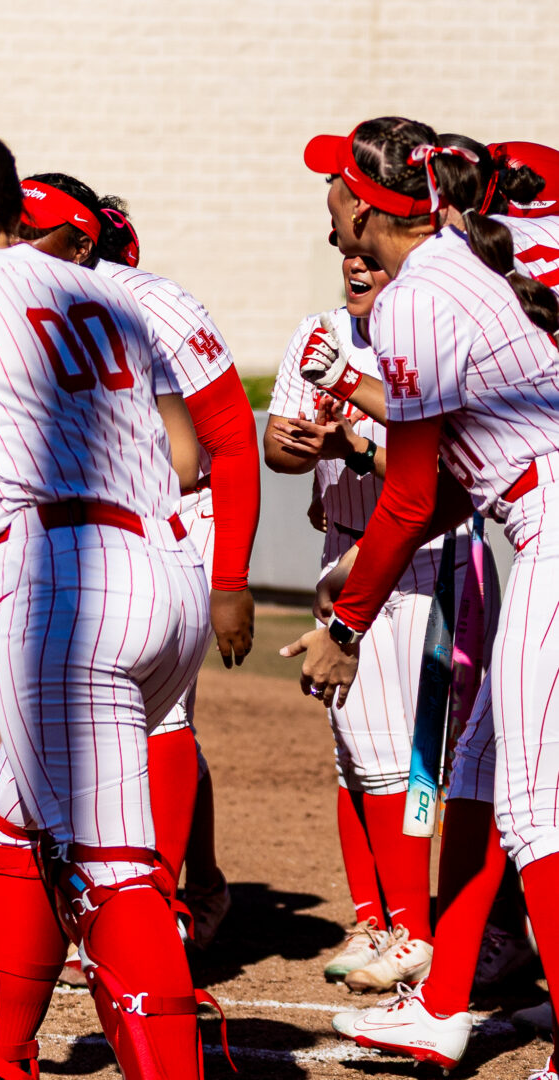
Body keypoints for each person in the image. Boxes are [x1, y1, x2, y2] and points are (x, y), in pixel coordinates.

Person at [0, 129, 214, 1080]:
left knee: (112, 872)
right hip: (164, 571)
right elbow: (188, 457)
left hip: (69, 591)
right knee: (9, 814)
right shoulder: (104, 289)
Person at [285, 116, 559, 1079]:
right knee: (478, 770)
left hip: (553, 526)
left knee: (531, 810)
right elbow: (439, 485)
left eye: (335, 191)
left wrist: (343, 623)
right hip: (536, 521)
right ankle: (443, 1006)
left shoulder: (413, 300)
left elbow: (406, 495)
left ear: (366, 203)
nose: (328, 214)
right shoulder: (447, 265)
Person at [16, 175, 258, 949]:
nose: (13, 244)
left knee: (161, 714)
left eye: (32, 229)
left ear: (84, 241)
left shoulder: (154, 304)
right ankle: (168, 887)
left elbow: (226, 444)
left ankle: (154, 906)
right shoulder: (12, 306)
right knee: (102, 713)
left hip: (176, 520)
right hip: (85, 524)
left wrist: (230, 582)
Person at [264, 251, 477, 992]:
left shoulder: (426, 338)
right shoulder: (318, 332)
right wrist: (307, 446)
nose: (352, 258)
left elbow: (440, 484)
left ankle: (415, 932)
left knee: (405, 759)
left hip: (417, 555)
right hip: (344, 550)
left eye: (365, 241)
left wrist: (354, 446)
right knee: (352, 751)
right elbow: (276, 450)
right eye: (337, 239)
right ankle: (377, 918)